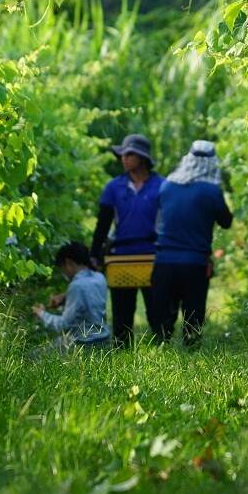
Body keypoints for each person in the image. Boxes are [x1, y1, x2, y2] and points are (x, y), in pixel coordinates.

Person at [151, 140, 233, 347]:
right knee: (193, 312)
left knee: (164, 312)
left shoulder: (167, 185)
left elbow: (160, 219)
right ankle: (191, 347)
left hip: (164, 261)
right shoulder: (212, 191)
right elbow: (226, 222)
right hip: (195, 261)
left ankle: (162, 346)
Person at [91, 133, 164, 346]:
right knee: (122, 313)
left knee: (157, 310)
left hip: (153, 255)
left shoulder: (162, 186)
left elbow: (169, 223)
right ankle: (122, 352)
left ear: (142, 157)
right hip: (121, 257)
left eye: (129, 154)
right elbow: (103, 224)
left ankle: (164, 350)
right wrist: (94, 255)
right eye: (122, 154)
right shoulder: (113, 187)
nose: (123, 158)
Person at [33, 241, 111, 349]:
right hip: (104, 341)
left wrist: (41, 314)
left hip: (84, 344)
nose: (63, 272)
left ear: (68, 262)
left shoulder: (76, 286)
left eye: (62, 268)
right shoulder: (99, 277)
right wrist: (65, 297)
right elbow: (88, 294)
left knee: (32, 356)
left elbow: (63, 325)